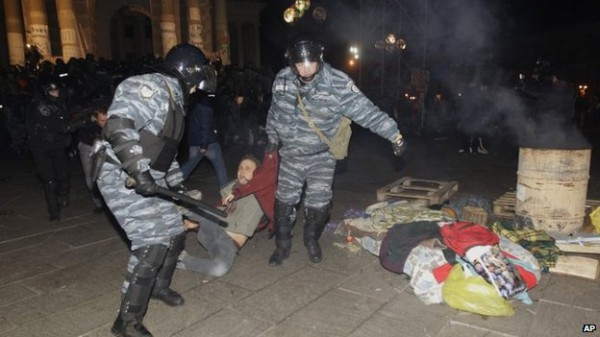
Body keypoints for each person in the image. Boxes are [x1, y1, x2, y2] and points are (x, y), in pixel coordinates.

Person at [94, 43, 216, 337]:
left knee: (174, 233)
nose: (198, 88)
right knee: (152, 242)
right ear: (188, 73)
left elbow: (165, 152)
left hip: (148, 173)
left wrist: (177, 185)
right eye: (198, 80)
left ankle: (158, 287)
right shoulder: (148, 86)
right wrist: (138, 170)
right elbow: (118, 125)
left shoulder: (175, 100)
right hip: (119, 172)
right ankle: (127, 321)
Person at [265, 37, 407, 266]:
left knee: (319, 205)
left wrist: (394, 134)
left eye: (310, 62)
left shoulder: (337, 83)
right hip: (290, 153)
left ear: (319, 59)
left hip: (321, 155)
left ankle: (312, 239)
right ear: (292, 63)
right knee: (284, 203)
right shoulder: (282, 79)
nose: (305, 68)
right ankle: (282, 245)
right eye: (300, 64)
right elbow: (274, 111)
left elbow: (366, 111)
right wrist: (272, 136)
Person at [177, 150, 278, 277]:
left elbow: (269, 174)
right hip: (213, 231)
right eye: (240, 168)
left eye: (248, 168)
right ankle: (186, 205)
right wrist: (197, 223)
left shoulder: (262, 191)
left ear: (258, 174)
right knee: (212, 211)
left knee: (219, 269)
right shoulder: (229, 191)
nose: (242, 171)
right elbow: (218, 213)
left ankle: (182, 259)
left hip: (228, 244)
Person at [26, 74, 88, 221]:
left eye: (57, 91)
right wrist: (84, 121)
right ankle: (54, 211)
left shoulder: (55, 103)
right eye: (53, 92)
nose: (57, 94)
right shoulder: (42, 107)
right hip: (42, 148)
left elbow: (64, 118)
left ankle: (64, 195)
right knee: (50, 180)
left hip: (57, 146)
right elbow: (63, 127)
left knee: (63, 175)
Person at [179, 92, 229, 188]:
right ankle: (226, 192)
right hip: (208, 143)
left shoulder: (190, 104)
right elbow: (206, 126)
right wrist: (204, 145)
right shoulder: (205, 106)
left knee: (190, 165)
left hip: (194, 142)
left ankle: (175, 183)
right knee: (220, 168)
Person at [77, 107, 108, 212]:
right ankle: (98, 203)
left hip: (103, 146)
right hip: (88, 147)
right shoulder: (87, 125)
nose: (105, 123)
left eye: (106, 120)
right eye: (102, 121)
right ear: (95, 119)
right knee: (91, 175)